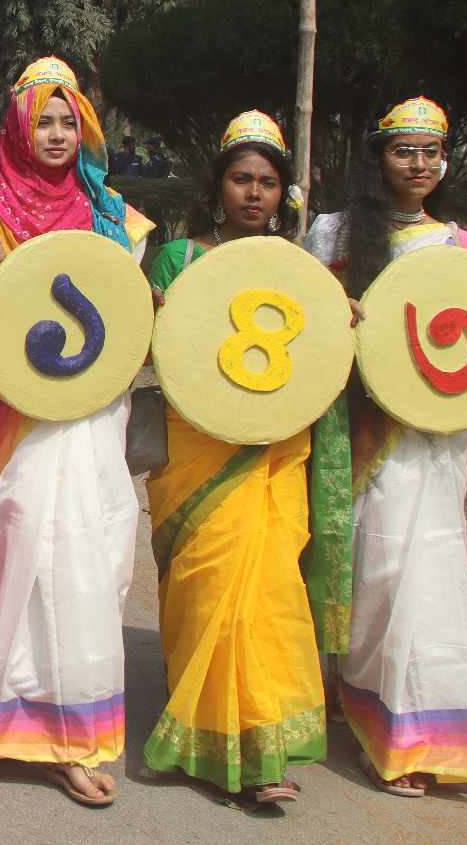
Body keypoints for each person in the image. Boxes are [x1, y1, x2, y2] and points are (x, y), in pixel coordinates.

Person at [0, 57, 154, 807]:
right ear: (16, 124)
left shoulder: (115, 217)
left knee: (89, 552)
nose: (57, 132)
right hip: (10, 411)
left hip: (90, 413)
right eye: (43, 117)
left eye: (69, 119)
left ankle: (76, 730)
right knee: (22, 543)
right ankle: (15, 716)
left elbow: (133, 315)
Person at [302, 96, 467, 796]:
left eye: (431, 152)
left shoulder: (465, 251)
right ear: (378, 157)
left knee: (431, 574)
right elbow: (300, 315)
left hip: (431, 438)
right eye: (403, 150)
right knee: (374, 571)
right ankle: (365, 710)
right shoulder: (333, 232)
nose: (417, 164)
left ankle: (420, 731)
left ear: (444, 163)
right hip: (356, 430)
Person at [139, 111, 323, 805]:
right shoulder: (179, 258)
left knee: (267, 593)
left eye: (268, 182)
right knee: (206, 587)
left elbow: (316, 356)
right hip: (195, 446)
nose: (254, 193)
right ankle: (201, 736)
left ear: (283, 194)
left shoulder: (300, 270)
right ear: (218, 187)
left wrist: (344, 317)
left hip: (270, 451)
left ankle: (261, 753)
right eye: (242, 179)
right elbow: (150, 350)